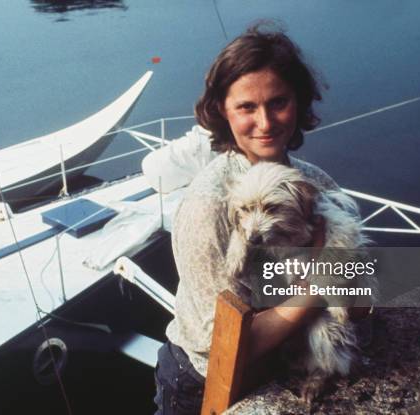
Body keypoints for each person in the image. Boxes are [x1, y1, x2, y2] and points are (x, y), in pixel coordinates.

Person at [153, 24, 362, 415]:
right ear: (221, 112)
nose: (265, 123)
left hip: (287, 363)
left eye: (278, 102)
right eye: (246, 107)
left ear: (298, 102)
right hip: (203, 384)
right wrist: (318, 287)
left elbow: (362, 285)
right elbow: (221, 345)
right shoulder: (208, 205)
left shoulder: (316, 182)